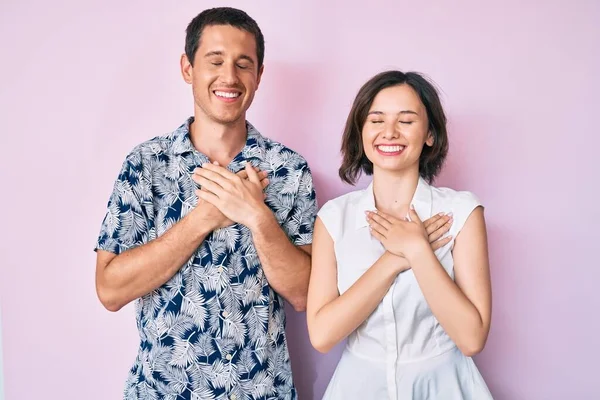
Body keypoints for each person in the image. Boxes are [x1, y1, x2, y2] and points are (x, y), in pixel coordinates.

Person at [93, 7, 319, 399]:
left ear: (259, 75)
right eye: (215, 61)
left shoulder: (289, 169)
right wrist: (203, 219)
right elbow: (110, 290)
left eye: (243, 64)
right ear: (188, 68)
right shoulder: (146, 164)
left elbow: (303, 295)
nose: (229, 77)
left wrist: (256, 216)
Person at [306, 70, 493, 399]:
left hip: (445, 387)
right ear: (361, 132)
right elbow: (322, 335)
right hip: (358, 388)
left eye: (406, 121)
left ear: (430, 134)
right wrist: (394, 259)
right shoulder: (334, 218)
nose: (389, 132)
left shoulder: (462, 212)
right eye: (376, 120)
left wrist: (419, 251)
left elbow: (472, 338)